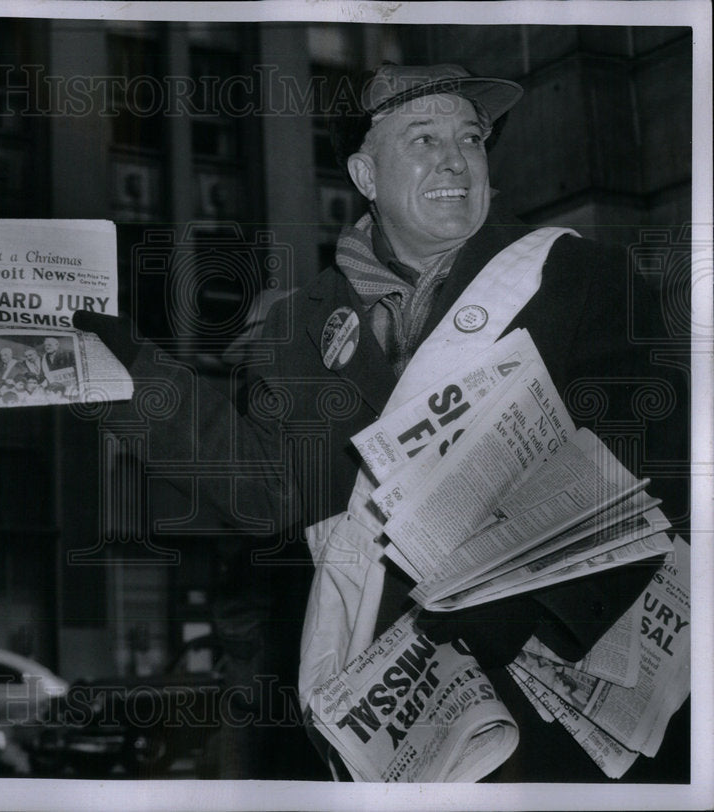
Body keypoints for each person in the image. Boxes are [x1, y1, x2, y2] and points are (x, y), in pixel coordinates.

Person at [74, 63, 688, 782]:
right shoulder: (302, 325)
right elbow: (270, 489)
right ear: (366, 175)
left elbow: (654, 451)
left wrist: (529, 591)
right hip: (399, 715)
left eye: (471, 138)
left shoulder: (578, 276)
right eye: (422, 139)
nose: (455, 159)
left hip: (557, 709)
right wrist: (128, 377)